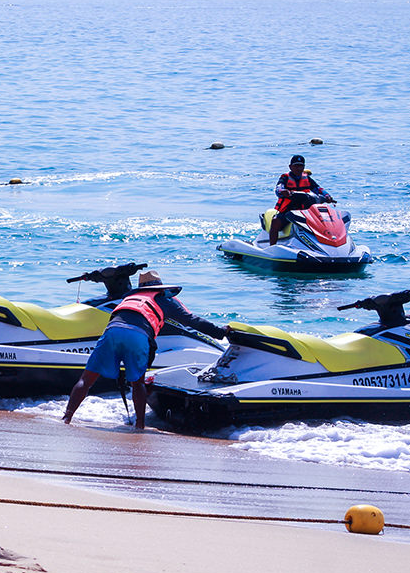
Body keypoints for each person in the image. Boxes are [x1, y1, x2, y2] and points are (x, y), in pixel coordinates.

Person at [62, 271, 230, 430]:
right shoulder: (166, 300)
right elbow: (193, 321)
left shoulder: (130, 297)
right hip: (138, 335)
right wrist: (220, 332)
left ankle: (67, 418)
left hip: (112, 331)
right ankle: (139, 425)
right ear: (160, 287)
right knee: (137, 383)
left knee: (86, 379)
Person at [269, 154, 335, 245]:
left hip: (306, 211)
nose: (299, 168)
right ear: (290, 167)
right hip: (288, 210)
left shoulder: (307, 178)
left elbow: (318, 189)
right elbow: (278, 188)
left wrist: (327, 196)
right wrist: (282, 191)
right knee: (275, 221)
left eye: (301, 166)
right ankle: (272, 247)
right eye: (296, 166)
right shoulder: (285, 178)